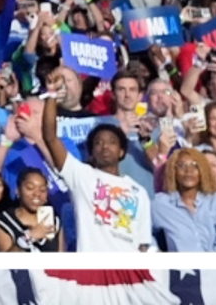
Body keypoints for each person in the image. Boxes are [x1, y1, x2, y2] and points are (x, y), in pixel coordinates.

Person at [38, 76, 153, 251]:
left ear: (122, 151)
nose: (105, 146)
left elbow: (142, 245)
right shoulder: (81, 176)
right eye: (98, 143)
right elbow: (50, 138)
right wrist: (52, 95)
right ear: (91, 152)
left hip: (126, 273)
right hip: (93, 272)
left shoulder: (139, 192)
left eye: (112, 142)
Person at [153, 146, 216, 251]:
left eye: (195, 166)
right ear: (174, 171)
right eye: (181, 165)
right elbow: (143, 232)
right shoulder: (161, 203)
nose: (189, 170)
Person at [0, 167, 64, 252]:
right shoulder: (3, 223)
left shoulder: (54, 221)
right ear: (18, 191)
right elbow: (8, 262)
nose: (37, 194)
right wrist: (29, 237)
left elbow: (61, 258)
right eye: (30, 188)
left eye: (42, 190)